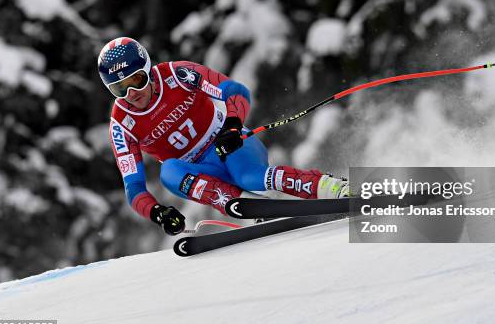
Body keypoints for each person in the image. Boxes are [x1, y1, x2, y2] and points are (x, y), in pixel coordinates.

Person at [99, 37, 349, 236]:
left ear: (149, 71)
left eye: (137, 80)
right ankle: (250, 205)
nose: (132, 93)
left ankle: (333, 187)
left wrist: (231, 125)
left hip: (227, 143)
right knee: (169, 172)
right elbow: (133, 188)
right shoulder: (121, 125)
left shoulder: (177, 75)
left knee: (249, 177)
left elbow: (235, 91)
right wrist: (158, 213)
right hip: (204, 173)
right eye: (119, 89)